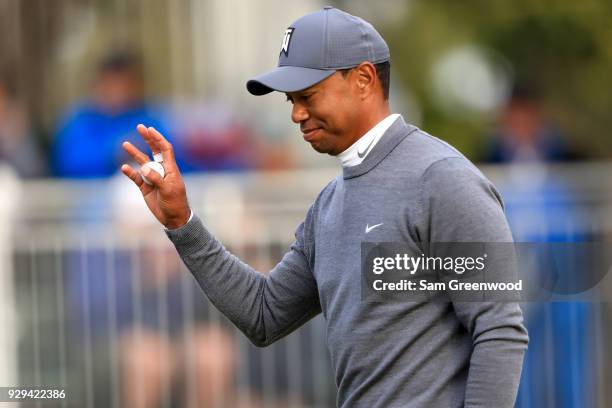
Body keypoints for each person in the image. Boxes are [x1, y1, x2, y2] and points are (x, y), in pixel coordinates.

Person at [121, 7, 528, 407]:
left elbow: (499, 332)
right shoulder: (329, 204)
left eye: (308, 96)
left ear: (364, 79)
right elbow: (264, 315)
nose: (297, 113)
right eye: (291, 100)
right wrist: (183, 224)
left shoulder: (443, 180)